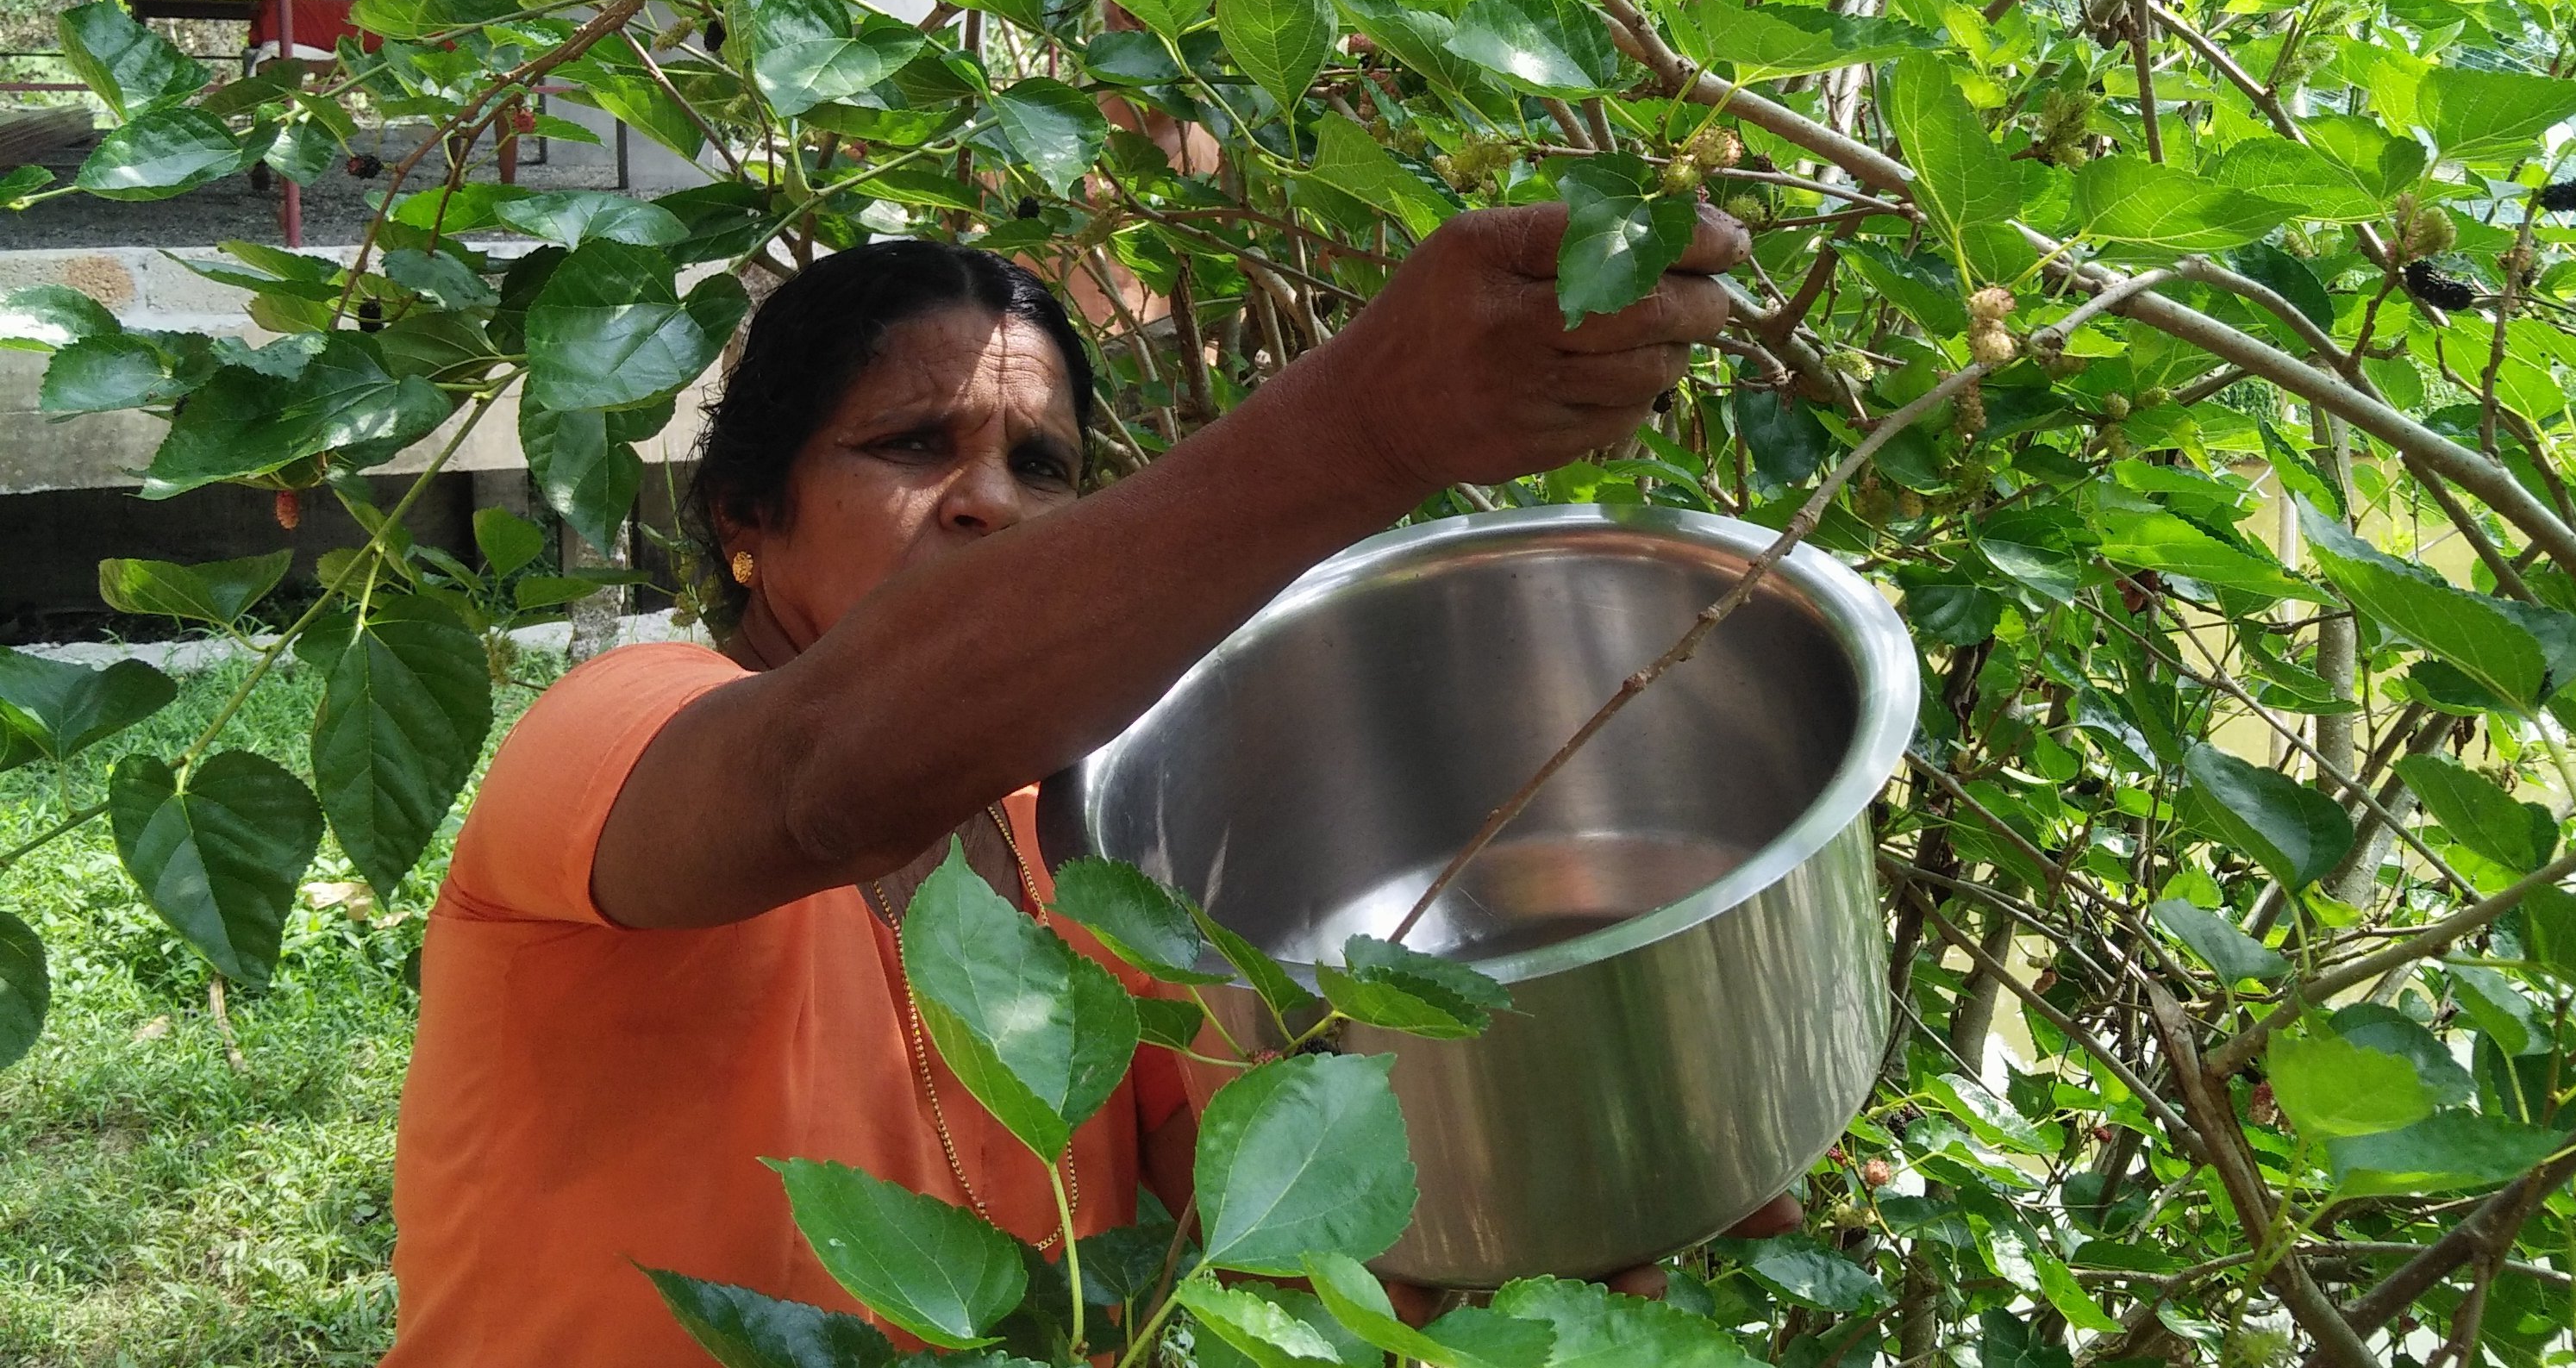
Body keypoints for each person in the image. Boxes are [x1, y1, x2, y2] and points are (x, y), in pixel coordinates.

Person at [383, 202, 1757, 1365]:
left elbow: (1250, 1247)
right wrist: (1370, 425)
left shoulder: (1082, 867)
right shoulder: (621, 730)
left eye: (1043, 466)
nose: (988, 501)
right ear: (747, 517)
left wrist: (1567, 1187)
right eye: (915, 444)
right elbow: (823, 779)